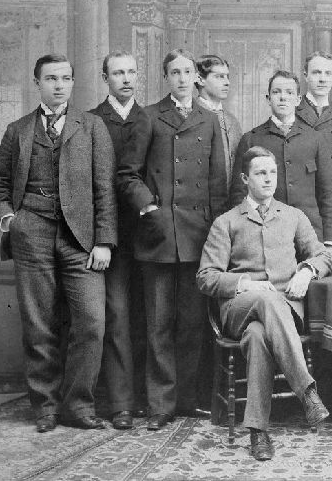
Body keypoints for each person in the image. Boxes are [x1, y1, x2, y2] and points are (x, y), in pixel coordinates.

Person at [0, 53, 117, 432]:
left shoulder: (92, 127)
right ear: (37, 83)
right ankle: (45, 407)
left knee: (91, 323)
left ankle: (78, 405)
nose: (59, 85)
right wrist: (11, 219)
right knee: (38, 325)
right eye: (51, 78)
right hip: (33, 234)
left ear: (73, 83)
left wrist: (105, 241)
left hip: (82, 239)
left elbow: (105, 188)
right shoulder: (19, 130)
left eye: (65, 78)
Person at [198, 146, 332, 461]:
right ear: (245, 179)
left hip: (283, 313)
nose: (268, 179)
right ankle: (308, 391)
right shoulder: (227, 222)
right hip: (238, 308)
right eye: (261, 173)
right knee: (264, 297)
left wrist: (308, 270)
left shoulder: (293, 216)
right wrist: (246, 283)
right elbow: (206, 277)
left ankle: (258, 433)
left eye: (272, 172)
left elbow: (324, 254)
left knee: (259, 337)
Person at [118, 48, 229, 430]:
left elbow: (218, 183)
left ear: (196, 78)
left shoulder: (209, 120)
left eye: (187, 72)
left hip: (199, 238)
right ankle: (160, 404)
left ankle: (187, 399)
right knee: (159, 324)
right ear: (166, 77)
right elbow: (127, 175)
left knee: (192, 323)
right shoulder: (149, 116)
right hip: (159, 237)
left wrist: (217, 235)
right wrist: (149, 209)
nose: (182, 79)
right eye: (174, 73)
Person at [89, 51, 149, 429]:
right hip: (111, 235)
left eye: (130, 72)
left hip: (150, 235)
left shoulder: (150, 118)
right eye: (117, 73)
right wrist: (101, 236)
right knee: (117, 315)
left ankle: (145, 397)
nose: (125, 79)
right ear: (105, 78)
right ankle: (120, 402)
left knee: (147, 316)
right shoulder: (93, 121)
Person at [230, 70, 332, 251]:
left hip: (311, 237)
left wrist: (330, 242)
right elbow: (238, 195)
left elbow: (328, 194)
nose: (283, 98)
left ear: (298, 100)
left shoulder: (316, 139)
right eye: (277, 92)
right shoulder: (251, 140)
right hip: (264, 237)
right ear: (268, 98)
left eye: (289, 93)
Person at [295, 51, 332, 175]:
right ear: (305, 76)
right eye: (316, 73)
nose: (322, 79)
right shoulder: (292, 112)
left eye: (328, 73)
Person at [195, 54, 243, 182]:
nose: (227, 82)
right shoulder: (189, 117)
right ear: (200, 79)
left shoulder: (232, 121)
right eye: (219, 77)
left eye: (227, 76)